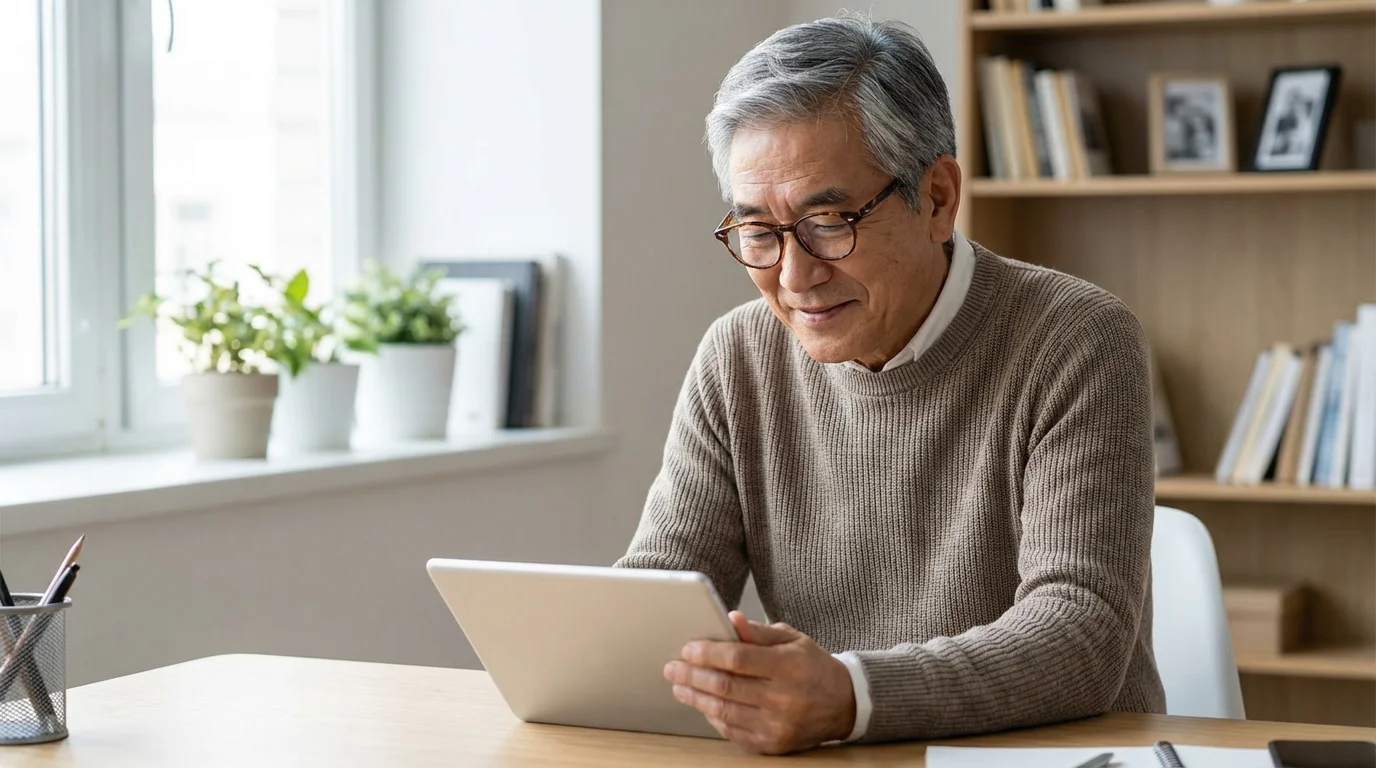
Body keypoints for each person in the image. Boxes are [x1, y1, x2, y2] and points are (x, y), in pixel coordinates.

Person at [615, 13, 1165, 755]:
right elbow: (660, 599)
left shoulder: (1076, 339)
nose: (793, 276)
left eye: (828, 220)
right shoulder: (737, 357)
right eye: (758, 233)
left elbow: (1081, 632)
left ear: (937, 197)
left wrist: (851, 696)